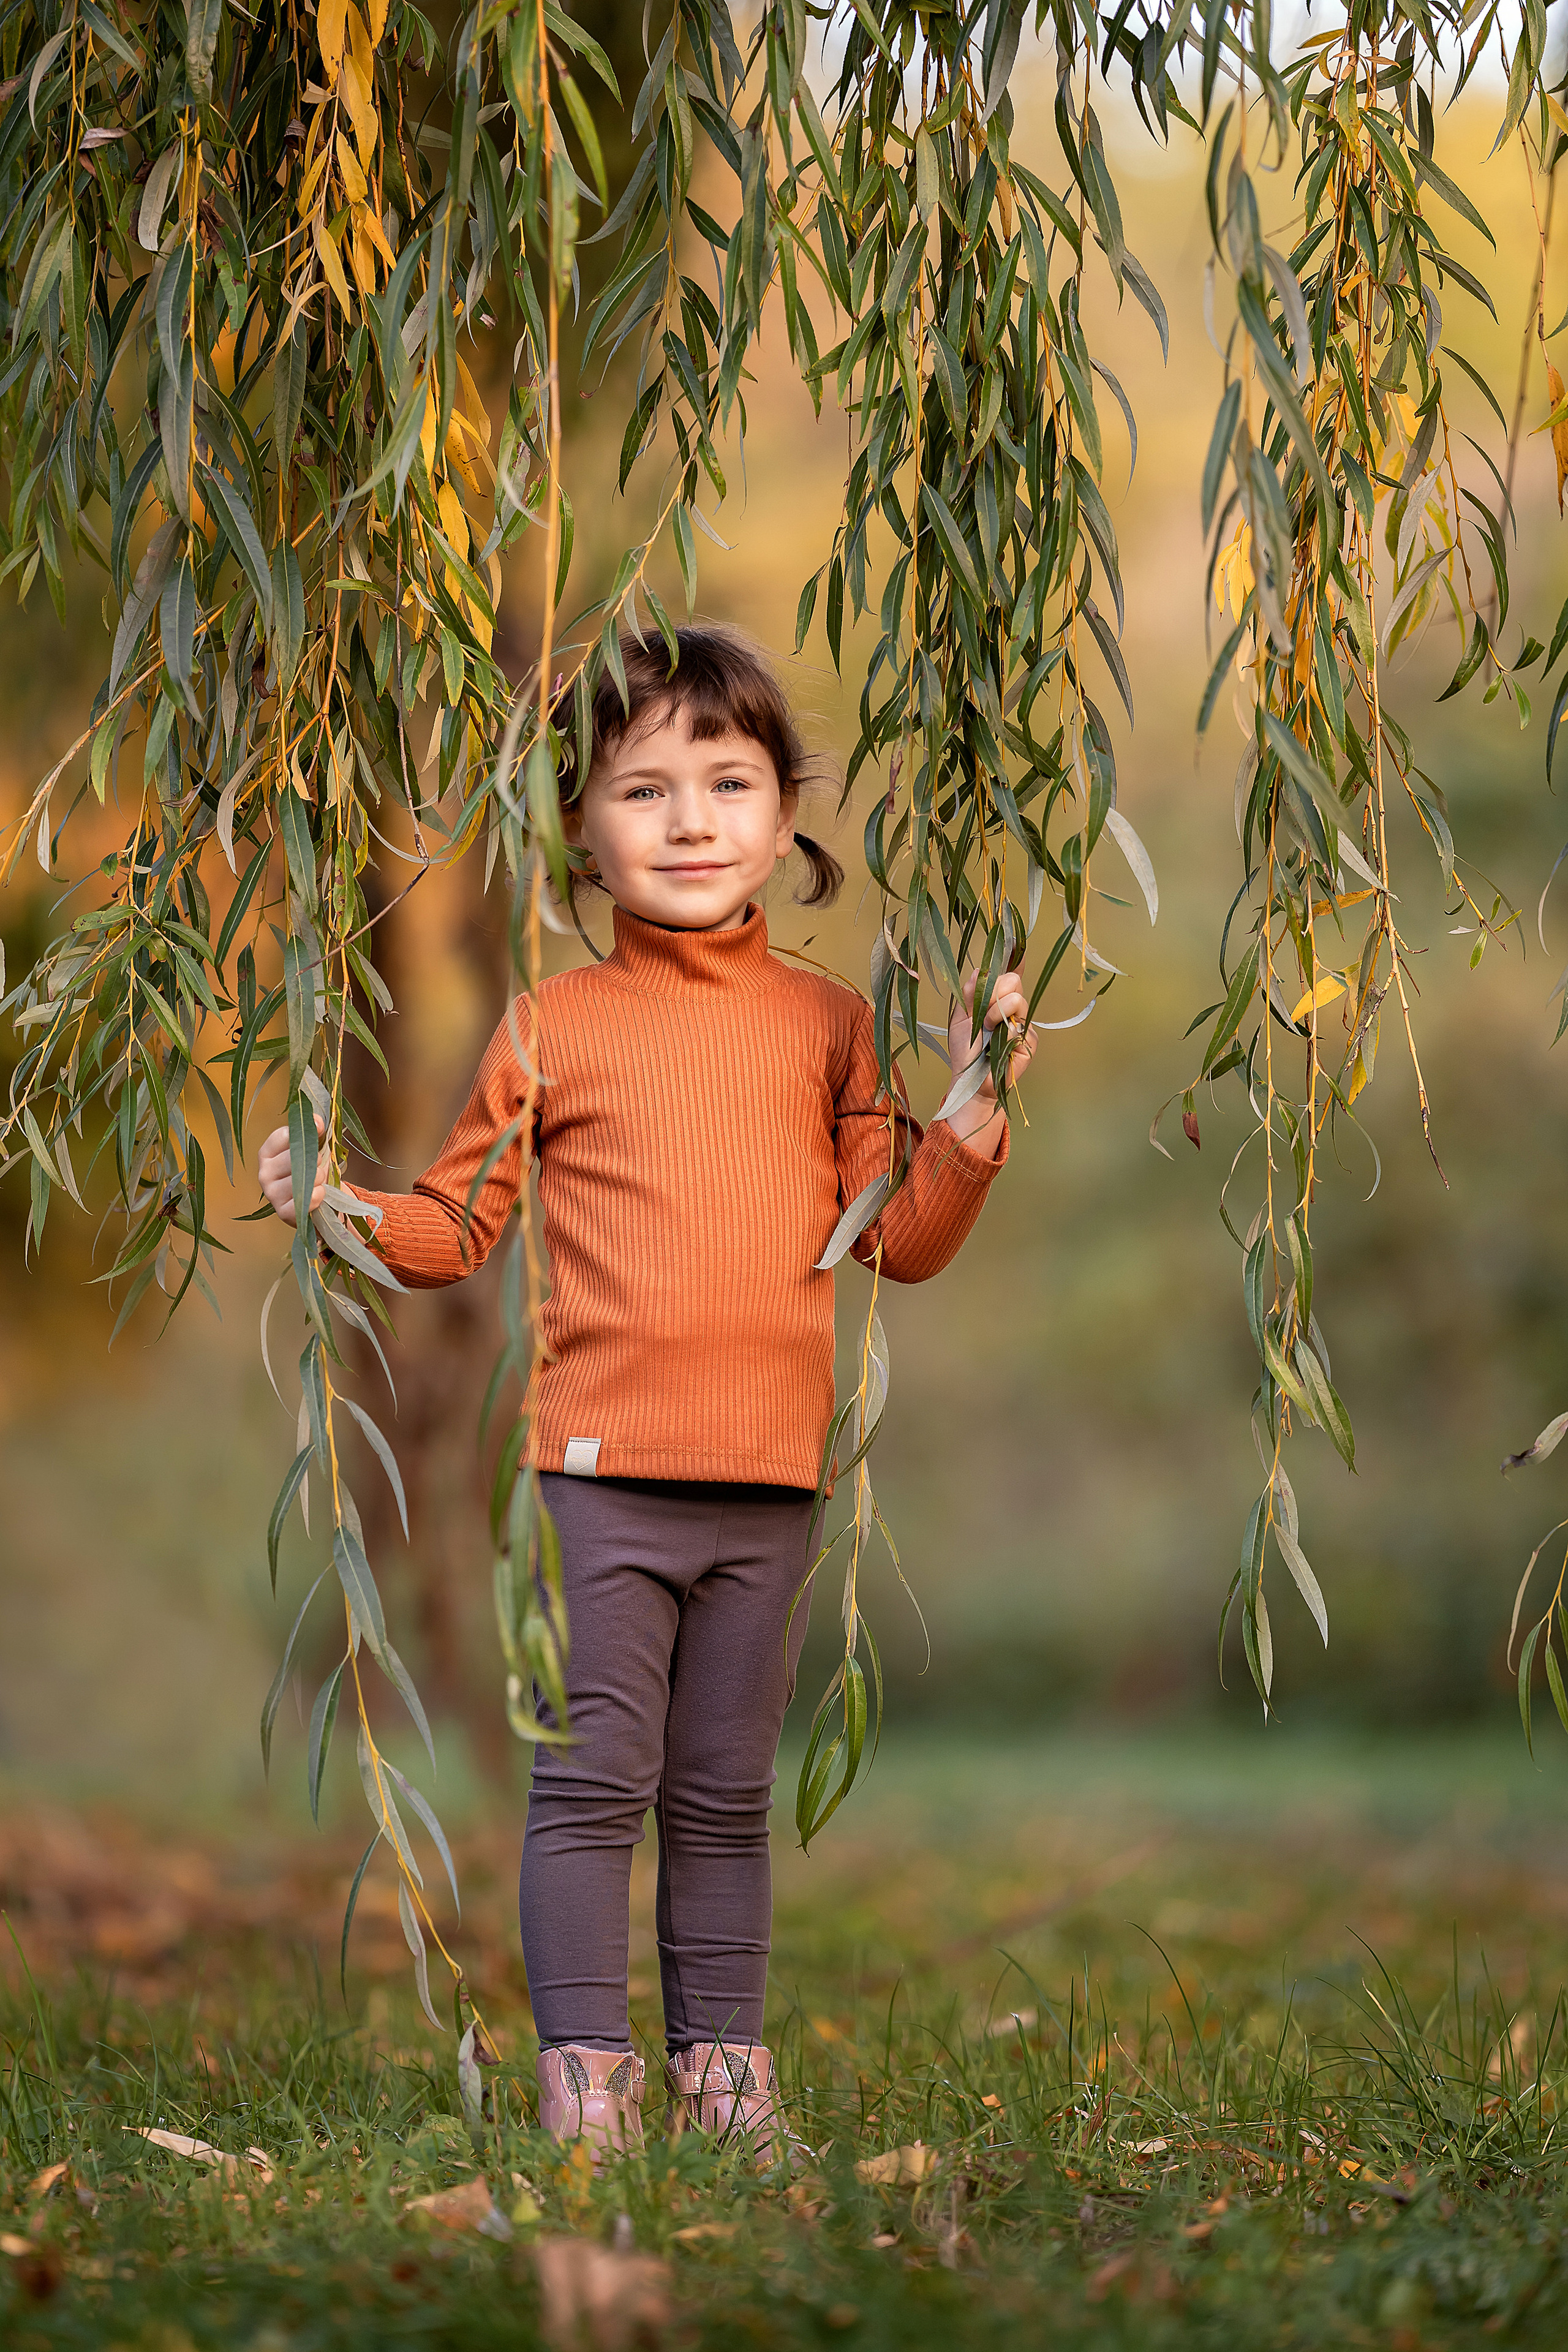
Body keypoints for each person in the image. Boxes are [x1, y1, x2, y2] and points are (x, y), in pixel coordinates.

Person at [255, 624, 1033, 2163]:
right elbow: (457, 1226)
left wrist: (975, 1108)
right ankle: (588, 2083)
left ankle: (725, 2079)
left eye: (729, 783)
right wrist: (340, 1207)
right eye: (643, 789)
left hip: (767, 1479)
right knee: (594, 1781)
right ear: (581, 829)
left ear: (785, 812)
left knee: (725, 1793)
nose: (689, 822)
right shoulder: (557, 1020)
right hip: (598, 1476)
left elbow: (905, 1241)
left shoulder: (827, 1026)